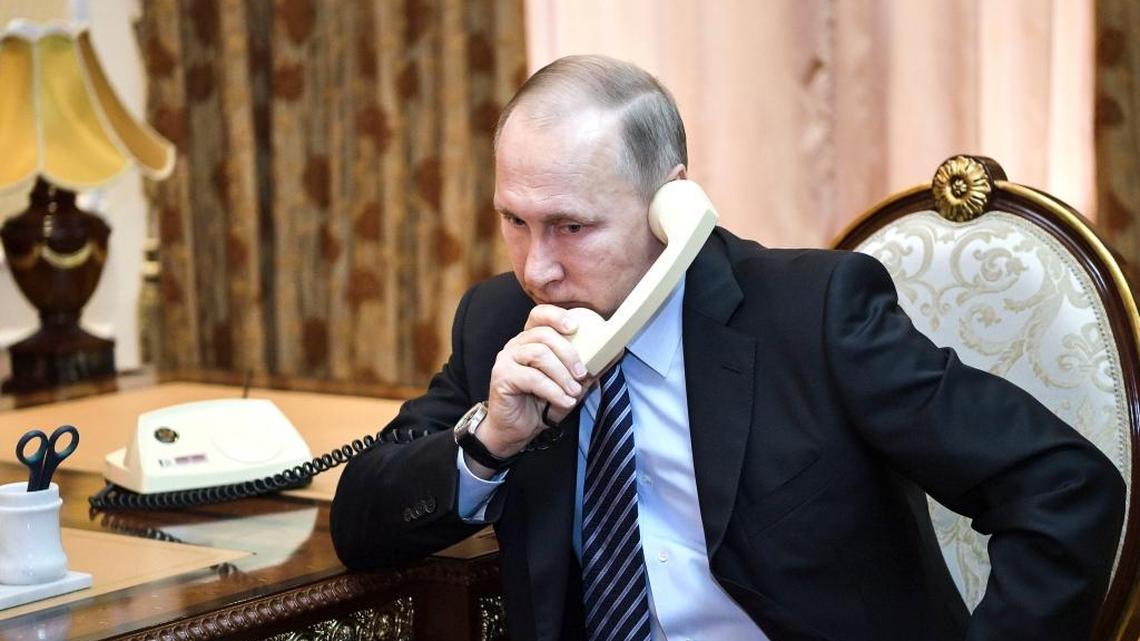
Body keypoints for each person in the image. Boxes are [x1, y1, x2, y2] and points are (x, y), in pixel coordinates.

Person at [330, 55, 1125, 641]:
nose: (537, 267)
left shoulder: (814, 316)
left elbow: (1064, 486)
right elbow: (362, 519)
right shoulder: (500, 320)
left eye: (571, 226)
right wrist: (488, 441)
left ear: (672, 200)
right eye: (514, 219)